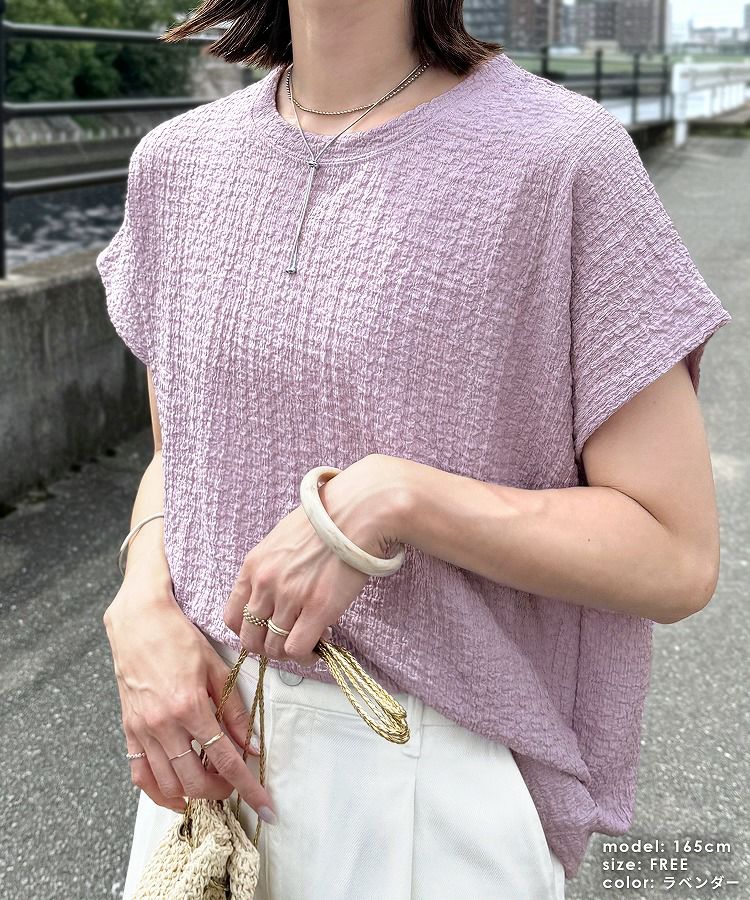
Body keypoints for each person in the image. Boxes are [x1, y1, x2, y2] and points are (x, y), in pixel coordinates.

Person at [95, 1, 732, 898]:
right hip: (199, 763)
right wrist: (140, 603)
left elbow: (675, 555)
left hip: (427, 781)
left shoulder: (559, 159)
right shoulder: (178, 164)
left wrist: (397, 499)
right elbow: (188, 460)